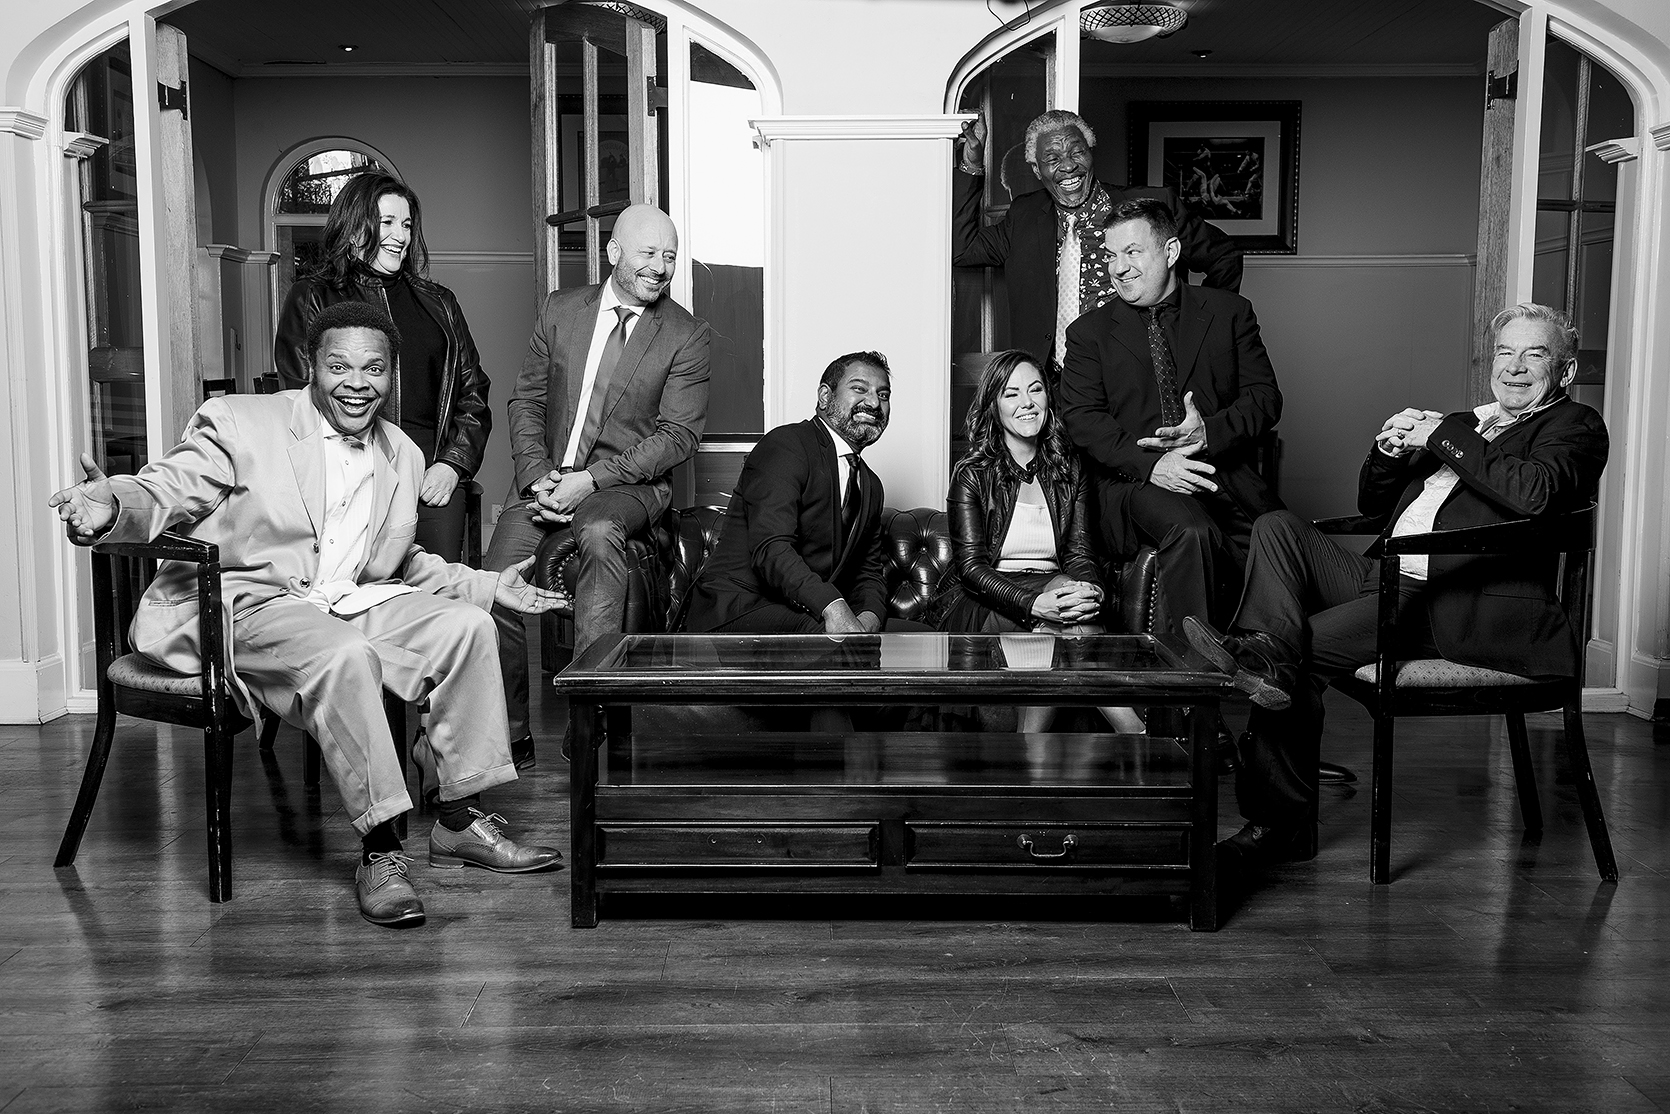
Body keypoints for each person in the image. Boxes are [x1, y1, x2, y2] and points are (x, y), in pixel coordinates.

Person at [48, 301, 568, 929]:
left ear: (392, 374)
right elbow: (167, 488)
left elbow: (399, 561)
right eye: (339, 366)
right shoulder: (240, 423)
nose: (357, 383)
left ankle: (458, 822)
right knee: (344, 655)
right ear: (311, 367)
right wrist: (110, 505)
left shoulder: (403, 455)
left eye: (373, 368)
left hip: (341, 600)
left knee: (468, 628)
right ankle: (381, 850)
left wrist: (485, 586)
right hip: (242, 602)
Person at [1185, 303, 1608, 872]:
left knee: (1297, 656)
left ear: (1565, 370)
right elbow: (1374, 504)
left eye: (1534, 354)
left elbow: (1533, 494)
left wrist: (1446, 437)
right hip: (1386, 578)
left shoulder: (1575, 426)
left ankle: (1275, 826)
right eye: (1505, 352)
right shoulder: (1470, 422)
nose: (1514, 367)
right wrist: (1390, 450)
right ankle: (1265, 651)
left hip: (1451, 600)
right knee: (1276, 526)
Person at [486, 204, 710, 767]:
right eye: (648, 253)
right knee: (491, 587)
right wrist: (537, 475)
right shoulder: (561, 310)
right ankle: (511, 732)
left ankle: (590, 719)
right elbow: (526, 400)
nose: (660, 266)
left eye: (670, 256)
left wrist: (588, 481)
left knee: (600, 532)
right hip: (544, 478)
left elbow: (678, 437)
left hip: (625, 486)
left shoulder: (686, 334)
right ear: (614, 252)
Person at [1058, 197, 1283, 638]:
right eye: (1111, 255)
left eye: (1132, 252)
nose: (1118, 267)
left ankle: (1265, 662)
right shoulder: (1088, 333)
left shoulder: (1229, 313)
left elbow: (1265, 399)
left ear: (1171, 251)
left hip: (1222, 472)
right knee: (1192, 530)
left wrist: (1209, 433)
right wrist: (1155, 465)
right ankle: (1189, 669)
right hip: (1133, 482)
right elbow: (1083, 418)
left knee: (1280, 539)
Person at [274, 172, 491, 563]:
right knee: (356, 587)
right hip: (347, 469)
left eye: (406, 224)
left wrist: (453, 464)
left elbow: (473, 391)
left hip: (430, 473)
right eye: (387, 222)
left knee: (437, 587)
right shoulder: (312, 295)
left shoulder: (440, 302)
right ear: (355, 227)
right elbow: (300, 397)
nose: (401, 235)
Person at [931, 349, 1145, 735]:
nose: (1027, 402)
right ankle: (1136, 734)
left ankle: (1031, 750)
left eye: (1035, 389)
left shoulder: (1069, 466)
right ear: (994, 405)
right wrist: (1034, 605)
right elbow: (972, 569)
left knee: (1072, 615)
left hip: (1051, 583)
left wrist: (1089, 589)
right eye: (1011, 393)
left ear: (1048, 396)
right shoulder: (971, 474)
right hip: (990, 594)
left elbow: (1079, 552)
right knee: (1062, 627)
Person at [953, 109, 1242, 373]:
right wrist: (971, 165)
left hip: (1138, 380)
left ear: (1091, 154)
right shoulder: (1024, 216)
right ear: (1037, 170)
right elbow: (962, 250)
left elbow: (1223, 257)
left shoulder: (1153, 205)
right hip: (1052, 384)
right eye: (1052, 159)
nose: (1068, 166)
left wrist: (1198, 327)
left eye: (1077, 152)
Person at [684, 351, 926, 637]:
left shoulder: (871, 485)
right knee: (836, 639)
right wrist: (833, 607)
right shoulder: (786, 445)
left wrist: (869, 619)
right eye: (859, 389)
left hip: (805, 611)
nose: (874, 403)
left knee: (924, 638)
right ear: (825, 396)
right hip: (738, 608)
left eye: (883, 395)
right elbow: (772, 548)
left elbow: (867, 573)